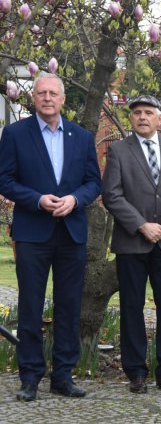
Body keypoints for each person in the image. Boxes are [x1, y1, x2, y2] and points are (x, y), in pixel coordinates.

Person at [0, 73, 101, 401]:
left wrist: (75, 199)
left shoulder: (82, 136)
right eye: (41, 92)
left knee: (69, 306)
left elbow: (93, 182)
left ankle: (63, 376)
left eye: (52, 93)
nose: (46, 97)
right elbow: (5, 180)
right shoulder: (15, 134)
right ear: (34, 98)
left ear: (62, 99)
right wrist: (37, 200)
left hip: (71, 232)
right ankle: (30, 378)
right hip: (32, 232)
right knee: (30, 305)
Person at [102, 95, 161, 394]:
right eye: (137, 113)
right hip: (132, 243)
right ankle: (136, 372)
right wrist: (142, 225)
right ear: (131, 118)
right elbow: (112, 195)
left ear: (160, 118)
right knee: (131, 307)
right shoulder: (118, 150)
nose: (142, 117)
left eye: (148, 112)